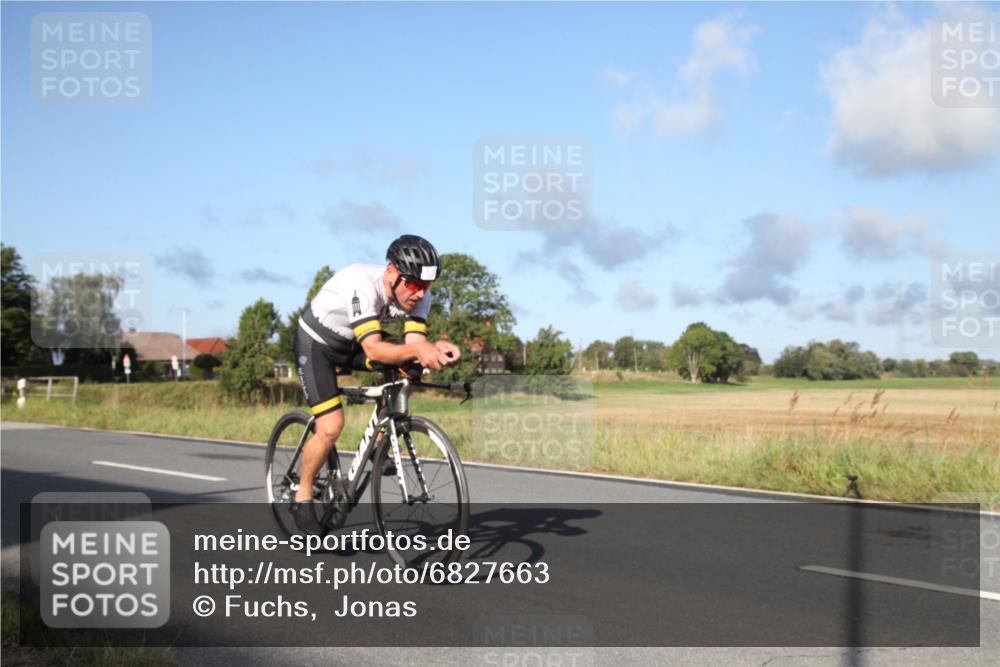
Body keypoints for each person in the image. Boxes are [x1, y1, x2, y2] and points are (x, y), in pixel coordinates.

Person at [290, 235, 461, 534]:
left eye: (427, 286)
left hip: (352, 343)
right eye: (414, 285)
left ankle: (380, 442)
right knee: (330, 426)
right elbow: (374, 350)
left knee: (407, 364)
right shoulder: (361, 285)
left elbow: (414, 344)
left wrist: (434, 350)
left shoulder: (420, 297)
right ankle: (302, 493)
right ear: (392, 272)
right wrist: (419, 350)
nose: (420, 294)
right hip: (317, 344)